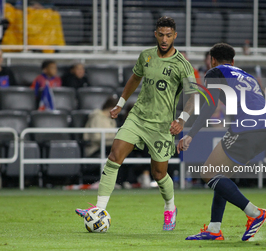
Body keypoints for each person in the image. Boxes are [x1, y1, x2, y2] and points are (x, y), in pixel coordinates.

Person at [75, 16, 196, 231]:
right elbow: (134, 78)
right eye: (161, 34)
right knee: (114, 157)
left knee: (159, 174)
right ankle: (99, 209)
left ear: (175, 36)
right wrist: (121, 103)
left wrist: (181, 119)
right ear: (155, 34)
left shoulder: (182, 65)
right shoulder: (146, 56)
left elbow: (194, 96)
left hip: (162, 126)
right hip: (137, 117)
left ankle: (170, 208)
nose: (165, 38)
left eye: (169, 35)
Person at [177, 43, 266, 241]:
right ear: (233, 61)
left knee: (207, 173)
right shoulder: (249, 77)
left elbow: (210, 104)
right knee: (221, 176)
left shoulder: (214, 72)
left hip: (247, 129)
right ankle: (214, 230)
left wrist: (190, 134)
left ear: (213, 60)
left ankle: (255, 213)